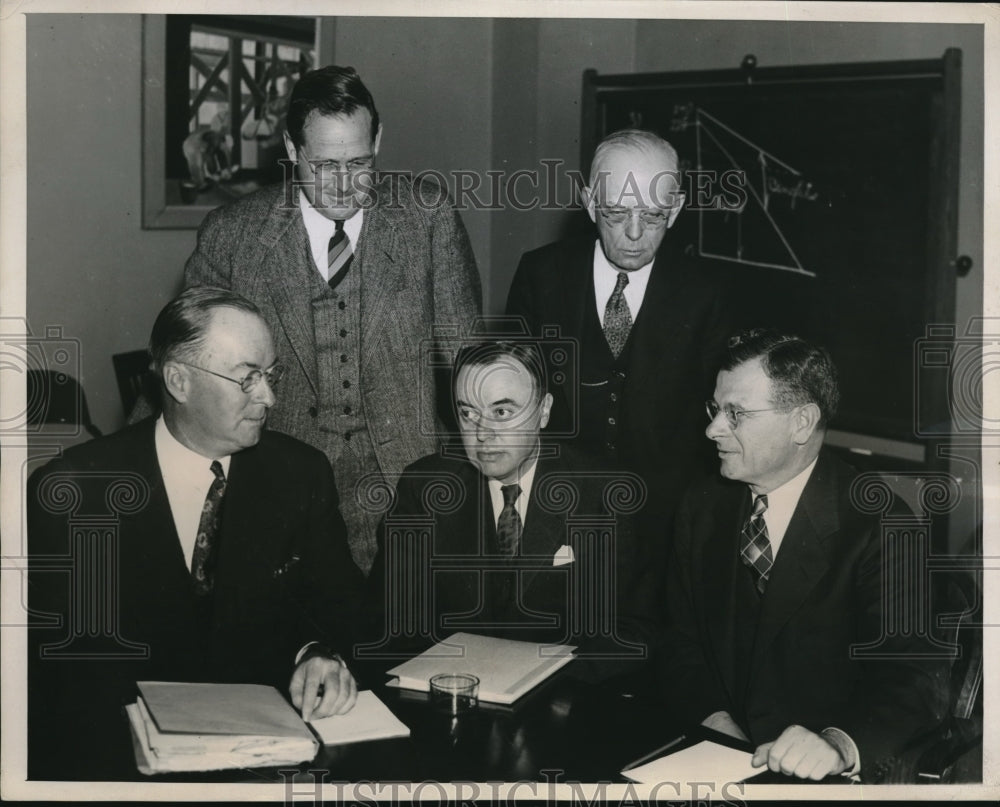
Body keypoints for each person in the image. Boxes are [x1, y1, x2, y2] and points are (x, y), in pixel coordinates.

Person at [27, 288, 365, 780]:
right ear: (179, 381)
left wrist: (315, 653)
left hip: (270, 762)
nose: (268, 397)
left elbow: (342, 607)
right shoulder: (76, 489)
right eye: (247, 378)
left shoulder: (300, 474)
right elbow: (54, 675)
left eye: (272, 376)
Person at [184, 65, 482, 574]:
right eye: (323, 165)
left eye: (359, 162)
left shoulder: (426, 217)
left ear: (379, 139)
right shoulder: (231, 236)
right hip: (282, 487)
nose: (344, 184)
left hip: (407, 482)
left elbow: (468, 362)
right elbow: (190, 370)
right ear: (291, 147)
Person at [660, 329, 949, 782]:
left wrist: (838, 743)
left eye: (736, 414)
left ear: (801, 422)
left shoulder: (881, 525)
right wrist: (714, 720)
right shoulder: (702, 505)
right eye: (716, 409)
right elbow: (680, 642)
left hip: (821, 776)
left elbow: (914, 676)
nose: (712, 428)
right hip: (713, 755)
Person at [506, 128, 730, 598]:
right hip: (558, 518)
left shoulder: (708, 295)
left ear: (676, 208)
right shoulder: (540, 275)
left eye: (652, 216)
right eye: (614, 213)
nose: (633, 234)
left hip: (666, 531)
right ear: (589, 203)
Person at [364, 340, 656, 661]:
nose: (482, 434)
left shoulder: (603, 494)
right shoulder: (424, 490)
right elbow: (391, 623)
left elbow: (628, 633)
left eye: (501, 412)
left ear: (543, 411)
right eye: (468, 413)